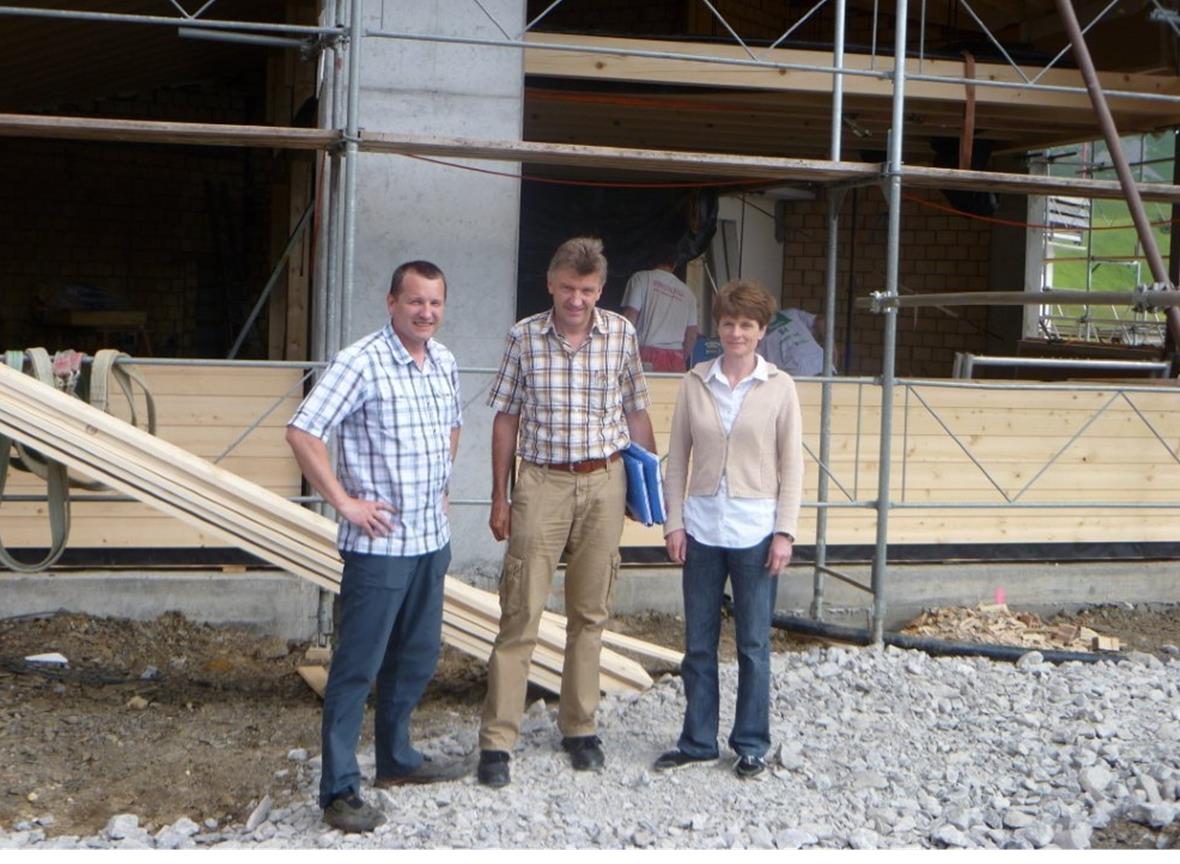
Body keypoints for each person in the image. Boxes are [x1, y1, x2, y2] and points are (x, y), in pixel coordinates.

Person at [286, 260, 466, 833]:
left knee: (416, 657)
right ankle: (339, 789)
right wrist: (344, 502)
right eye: (415, 302)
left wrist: (441, 485)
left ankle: (397, 758)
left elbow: (453, 426)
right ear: (391, 302)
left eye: (435, 303)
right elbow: (303, 430)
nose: (426, 312)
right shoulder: (359, 361)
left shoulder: (444, 360)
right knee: (357, 668)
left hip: (429, 541)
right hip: (379, 547)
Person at [477, 236, 657, 788]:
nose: (576, 299)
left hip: (605, 479)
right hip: (542, 482)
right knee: (520, 611)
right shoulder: (524, 337)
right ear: (550, 284)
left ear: (600, 290)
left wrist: (647, 489)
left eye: (586, 290)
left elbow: (636, 410)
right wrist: (499, 494)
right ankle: (497, 741)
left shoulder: (622, 334)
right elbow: (505, 418)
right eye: (567, 288)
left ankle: (580, 727)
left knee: (591, 612)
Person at [655, 279, 804, 779]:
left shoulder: (780, 386)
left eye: (746, 324)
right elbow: (677, 458)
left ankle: (751, 743)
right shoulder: (695, 381)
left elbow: (792, 464)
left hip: (755, 530)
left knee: (753, 645)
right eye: (728, 323)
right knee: (698, 643)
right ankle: (697, 740)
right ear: (717, 328)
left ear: (761, 331)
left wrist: (785, 531)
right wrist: (673, 522)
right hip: (701, 528)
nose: (736, 333)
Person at [621, 242, 700, 372]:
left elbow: (630, 318)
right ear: (675, 263)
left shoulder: (641, 278)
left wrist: (621, 353)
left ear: (652, 259)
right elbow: (692, 335)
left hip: (647, 355)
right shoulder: (688, 293)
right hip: (677, 358)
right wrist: (682, 357)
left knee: (646, 392)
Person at [757, 306, 825, 376]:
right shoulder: (791, 313)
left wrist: (831, 347)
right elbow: (820, 321)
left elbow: (820, 320)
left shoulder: (791, 313)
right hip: (822, 364)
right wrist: (831, 346)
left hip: (800, 374)